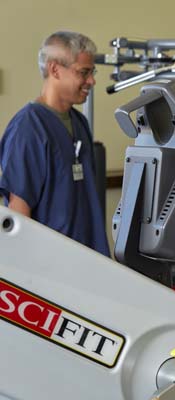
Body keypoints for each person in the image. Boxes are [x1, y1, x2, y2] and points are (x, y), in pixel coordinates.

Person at [0, 31, 109, 257]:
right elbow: (19, 211)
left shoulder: (80, 123)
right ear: (55, 69)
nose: (91, 80)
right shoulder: (28, 128)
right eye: (84, 72)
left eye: (92, 72)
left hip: (89, 256)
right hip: (51, 263)